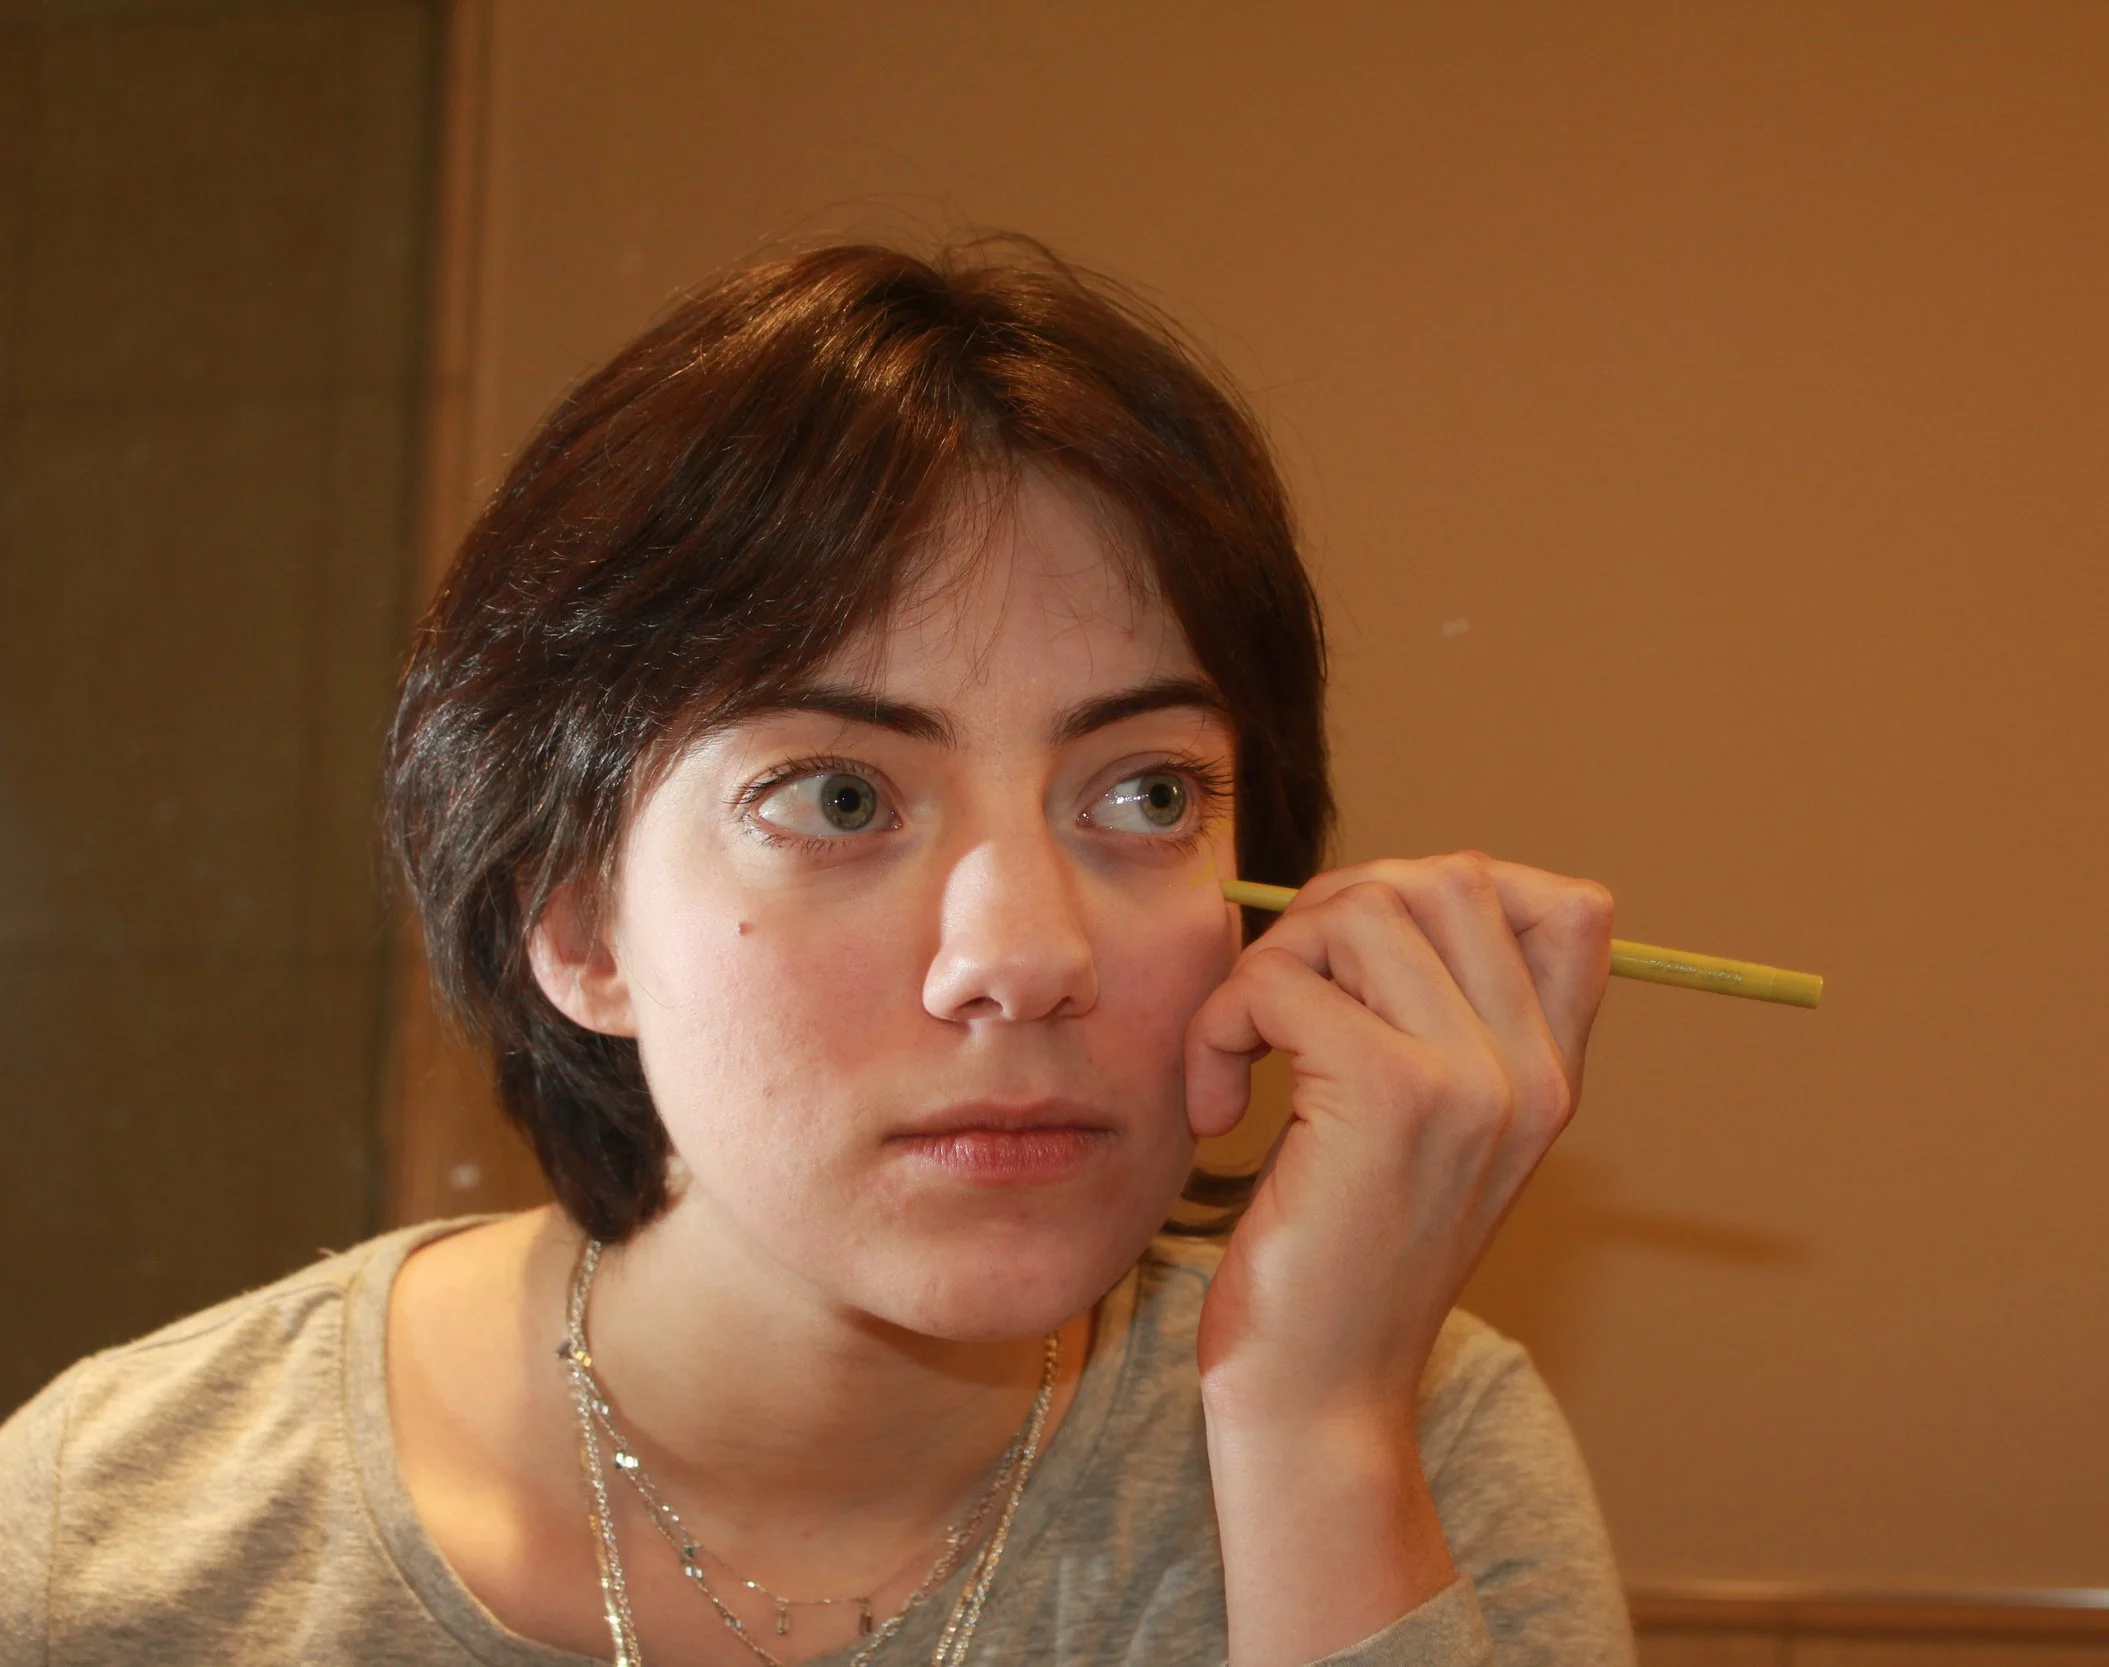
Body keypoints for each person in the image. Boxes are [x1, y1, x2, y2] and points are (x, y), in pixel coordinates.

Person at [0, 241, 1635, 1666]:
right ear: (575, 919)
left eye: (1145, 793)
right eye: (840, 797)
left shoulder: (1416, 1433)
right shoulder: (108, 1546)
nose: (1024, 957)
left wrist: (1318, 1434)